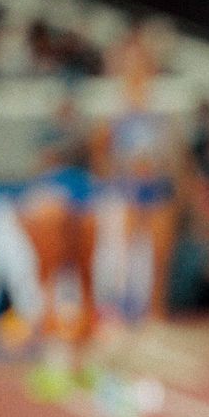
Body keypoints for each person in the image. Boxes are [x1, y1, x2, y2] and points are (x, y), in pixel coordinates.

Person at [93, 27, 187, 323]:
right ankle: (121, 313)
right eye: (129, 63)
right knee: (123, 258)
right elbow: (102, 156)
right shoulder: (110, 108)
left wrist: (175, 183)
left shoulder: (162, 106)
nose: (135, 69)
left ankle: (155, 314)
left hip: (158, 188)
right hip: (125, 190)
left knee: (159, 256)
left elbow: (174, 154)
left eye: (141, 63)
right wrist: (115, 180)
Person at [19, 88, 97, 352]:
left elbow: (96, 171)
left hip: (81, 198)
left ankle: (86, 318)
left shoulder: (85, 137)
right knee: (52, 221)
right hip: (53, 198)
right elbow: (39, 170)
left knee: (86, 234)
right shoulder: (46, 136)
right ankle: (50, 314)